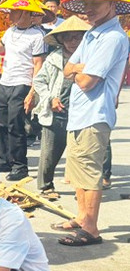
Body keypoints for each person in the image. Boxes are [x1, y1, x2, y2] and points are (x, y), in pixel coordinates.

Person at [55, 0, 130, 246]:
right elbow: (68, 68)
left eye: (95, 3)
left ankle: (91, 228)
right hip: (80, 112)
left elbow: (87, 81)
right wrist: (78, 68)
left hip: (95, 112)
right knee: (78, 172)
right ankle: (82, 216)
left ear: (112, 5)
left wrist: (77, 70)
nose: (88, 9)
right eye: (86, 3)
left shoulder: (112, 38)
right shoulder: (91, 33)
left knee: (89, 172)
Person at [0, 0, 46, 181]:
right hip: (5, 82)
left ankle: (20, 165)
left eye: (14, 11)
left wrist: (33, 92)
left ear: (25, 13)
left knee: (15, 125)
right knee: (2, 123)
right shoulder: (10, 32)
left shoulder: (37, 35)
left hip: (22, 83)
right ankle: (5, 160)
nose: (10, 14)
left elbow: (38, 65)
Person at [31, 16, 90, 195]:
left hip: (81, 111)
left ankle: (81, 190)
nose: (73, 42)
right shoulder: (54, 58)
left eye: (77, 37)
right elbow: (39, 81)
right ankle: (46, 186)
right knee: (49, 152)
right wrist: (50, 98)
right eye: (68, 38)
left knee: (80, 153)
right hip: (57, 111)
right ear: (61, 39)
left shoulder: (88, 57)